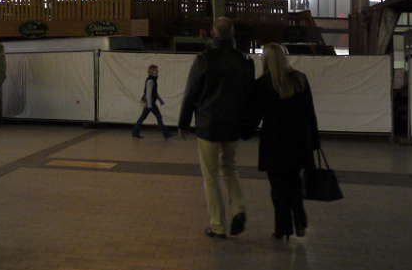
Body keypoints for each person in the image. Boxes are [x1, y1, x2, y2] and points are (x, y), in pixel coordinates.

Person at [178, 17, 256, 240]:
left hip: (208, 125)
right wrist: (248, 125)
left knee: (210, 175)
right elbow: (250, 97)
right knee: (229, 168)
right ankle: (239, 208)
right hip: (233, 125)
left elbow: (191, 92)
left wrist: (183, 122)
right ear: (232, 35)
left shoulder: (203, 59)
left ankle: (218, 225)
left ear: (212, 34)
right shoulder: (245, 61)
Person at [249, 43, 320, 240]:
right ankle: (299, 216)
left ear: (266, 60)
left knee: (278, 187)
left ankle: (282, 228)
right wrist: (314, 142)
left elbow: (255, 117)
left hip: (274, 142)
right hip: (298, 141)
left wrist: (242, 132)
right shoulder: (300, 79)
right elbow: (309, 113)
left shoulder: (263, 84)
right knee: (294, 181)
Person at [131, 64, 173, 139]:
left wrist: (160, 100)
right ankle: (166, 134)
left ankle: (135, 133)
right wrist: (150, 105)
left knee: (142, 117)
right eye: (156, 70)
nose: (157, 71)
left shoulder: (153, 80)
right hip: (150, 103)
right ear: (152, 71)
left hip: (149, 103)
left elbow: (154, 93)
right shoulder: (150, 80)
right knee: (158, 117)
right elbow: (149, 94)